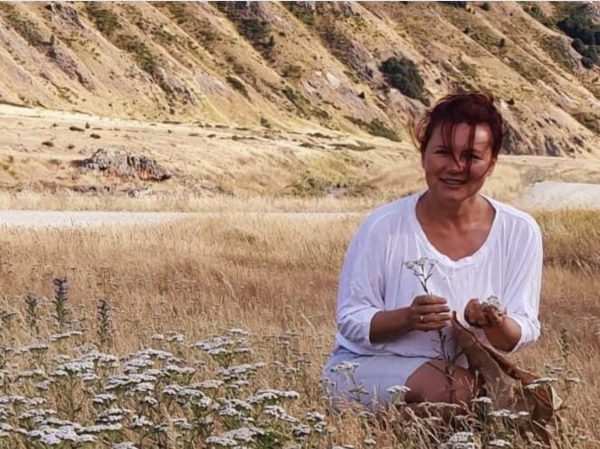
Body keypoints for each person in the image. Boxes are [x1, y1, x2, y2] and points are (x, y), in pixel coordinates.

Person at [322, 92, 543, 410]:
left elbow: (520, 331)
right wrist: (407, 318)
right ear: (423, 154)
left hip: (465, 376)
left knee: (503, 402)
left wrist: (493, 322)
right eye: (442, 152)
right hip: (363, 369)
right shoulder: (383, 226)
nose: (455, 167)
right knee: (464, 393)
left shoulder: (520, 231)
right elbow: (351, 320)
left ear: (492, 162)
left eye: (471, 156)